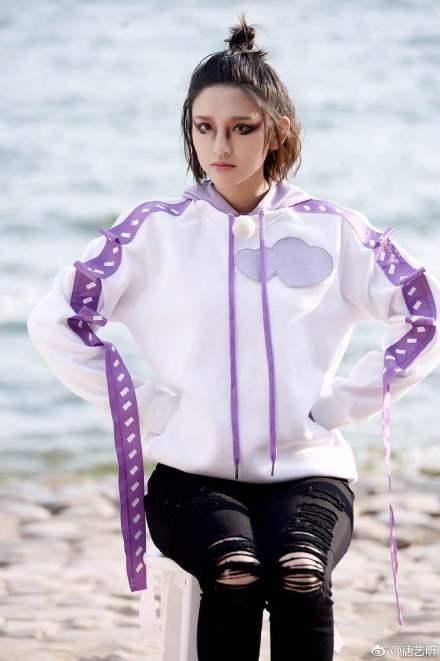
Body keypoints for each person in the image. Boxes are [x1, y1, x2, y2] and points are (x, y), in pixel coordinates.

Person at [26, 11, 440, 661]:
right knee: (236, 570)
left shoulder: (333, 229)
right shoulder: (154, 231)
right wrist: (148, 408)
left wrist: (345, 402)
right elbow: (57, 319)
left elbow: (425, 312)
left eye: (241, 128)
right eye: (204, 127)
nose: (220, 145)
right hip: (192, 476)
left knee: (301, 572)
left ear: (277, 132)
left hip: (310, 473)